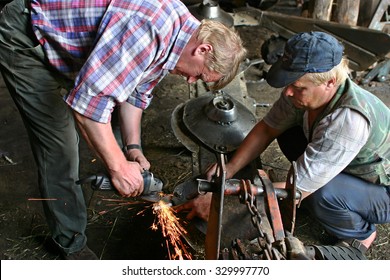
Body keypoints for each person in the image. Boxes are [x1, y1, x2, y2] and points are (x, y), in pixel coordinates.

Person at [0, 0, 246, 259]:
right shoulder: (148, 28)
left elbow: (136, 92)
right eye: (199, 76)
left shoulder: (181, 35)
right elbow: (87, 108)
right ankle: (69, 243)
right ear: (203, 49)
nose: (190, 80)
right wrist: (118, 167)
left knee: (106, 126)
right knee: (59, 147)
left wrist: (133, 148)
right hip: (28, 36)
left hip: (68, 42)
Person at [177, 31, 390, 254]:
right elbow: (267, 128)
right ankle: (334, 185)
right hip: (348, 162)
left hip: (383, 190)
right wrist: (230, 169)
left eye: (298, 87)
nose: (287, 92)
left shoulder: (348, 122)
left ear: (330, 82)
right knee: (287, 131)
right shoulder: (300, 93)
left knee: (321, 193)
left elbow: (298, 189)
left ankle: (360, 233)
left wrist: (222, 202)